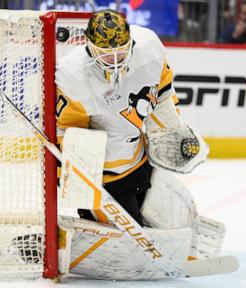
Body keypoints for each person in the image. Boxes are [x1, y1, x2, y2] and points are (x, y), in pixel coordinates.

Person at [55, 9, 208, 227]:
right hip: (105, 180)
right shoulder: (73, 77)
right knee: (133, 243)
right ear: (89, 47)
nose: (115, 59)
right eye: (106, 53)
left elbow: (162, 93)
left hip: (141, 163)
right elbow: (69, 132)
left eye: (121, 51)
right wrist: (82, 186)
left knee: (170, 224)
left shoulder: (148, 48)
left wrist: (171, 129)